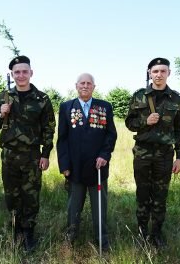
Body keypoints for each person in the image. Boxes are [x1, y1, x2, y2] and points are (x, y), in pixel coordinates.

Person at [0, 55, 56, 252]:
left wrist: (46, 154)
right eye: (17, 72)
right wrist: (2, 113)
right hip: (9, 155)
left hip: (32, 156)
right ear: (12, 74)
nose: (21, 75)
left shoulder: (42, 99)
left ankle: (29, 234)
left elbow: (49, 128)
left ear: (31, 73)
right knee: (12, 195)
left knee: (31, 196)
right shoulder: (5, 97)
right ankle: (16, 230)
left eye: (24, 71)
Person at [125, 57, 180, 249]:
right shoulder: (139, 96)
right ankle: (142, 233)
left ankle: (157, 233)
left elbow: (179, 129)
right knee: (143, 193)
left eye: (163, 71)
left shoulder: (176, 99)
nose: (159, 75)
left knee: (160, 195)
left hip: (165, 156)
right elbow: (129, 123)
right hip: (142, 153)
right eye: (155, 71)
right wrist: (145, 121)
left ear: (168, 73)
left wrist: (179, 157)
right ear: (149, 73)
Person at [57, 73, 117, 251]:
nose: (85, 86)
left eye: (88, 83)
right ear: (76, 86)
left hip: (98, 167)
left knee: (99, 207)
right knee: (73, 206)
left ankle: (101, 240)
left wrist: (105, 155)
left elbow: (111, 134)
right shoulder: (67, 107)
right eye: (82, 83)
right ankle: (71, 237)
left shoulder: (104, 107)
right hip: (75, 168)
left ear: (94, 87)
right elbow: (62, 139)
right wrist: (65, 165)